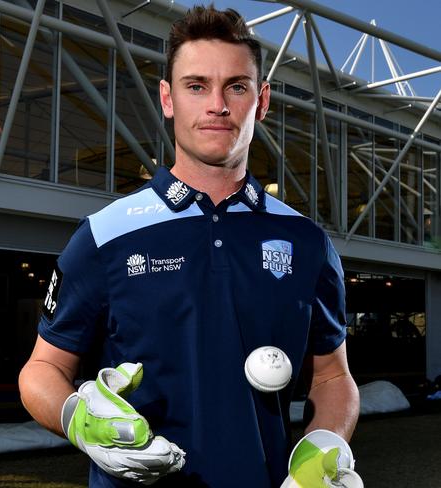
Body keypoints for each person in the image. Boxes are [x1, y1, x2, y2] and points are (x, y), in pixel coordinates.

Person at [19, 5, 360, 487]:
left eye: (236, 87)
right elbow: (42, 369)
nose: (217, 105)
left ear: (261, 101)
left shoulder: (307, 242)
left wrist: (326, 445)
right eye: (196, 86)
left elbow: (332, 378)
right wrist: (76, 416)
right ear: (168, 98)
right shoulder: (103, 235)